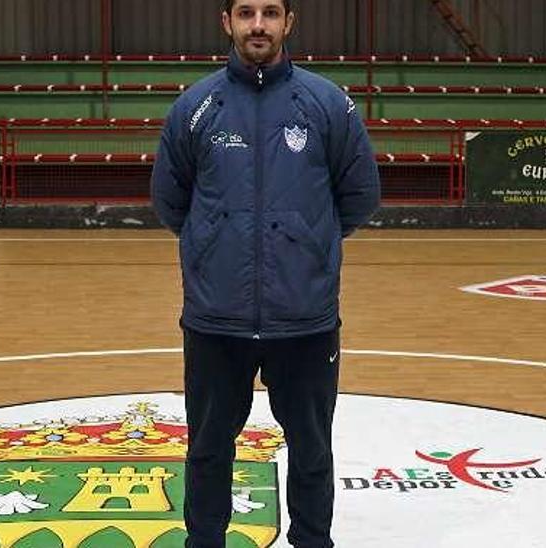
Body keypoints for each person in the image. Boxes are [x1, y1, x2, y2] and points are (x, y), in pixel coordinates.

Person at [150, 1, 381, 546]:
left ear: (289, 23)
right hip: (216, 318)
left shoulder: (328, 104)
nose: (259, 25)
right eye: (247, 13)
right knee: (208, 447)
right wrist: (216, 246)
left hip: (304, 317)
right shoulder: (196, 106)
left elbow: (360, 195)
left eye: (271, 13)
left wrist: (308, 242)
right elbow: (170, 201)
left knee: (311, 448)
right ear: (226, 22)